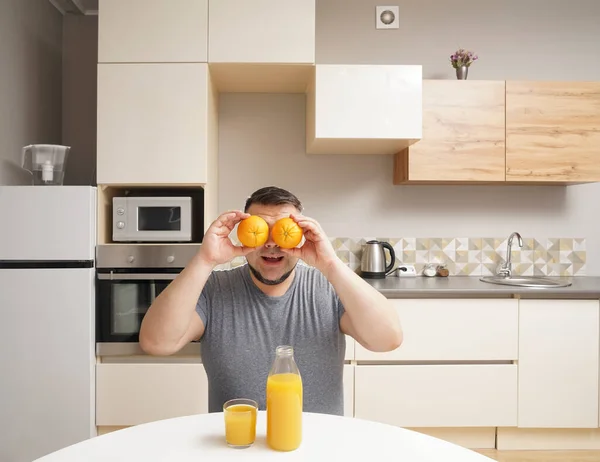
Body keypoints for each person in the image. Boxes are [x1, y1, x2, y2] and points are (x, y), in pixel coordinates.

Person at [139, 186, 403, 416]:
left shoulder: (330, 287)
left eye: (281, 232)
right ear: (244, 232)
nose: (271, 244)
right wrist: (204, 260)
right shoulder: (214, 289)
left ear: (300, 234)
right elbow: (156, 343)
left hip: (318, 445)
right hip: (237, 444)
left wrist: (331, 264)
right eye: (261, 231)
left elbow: (387, 339)